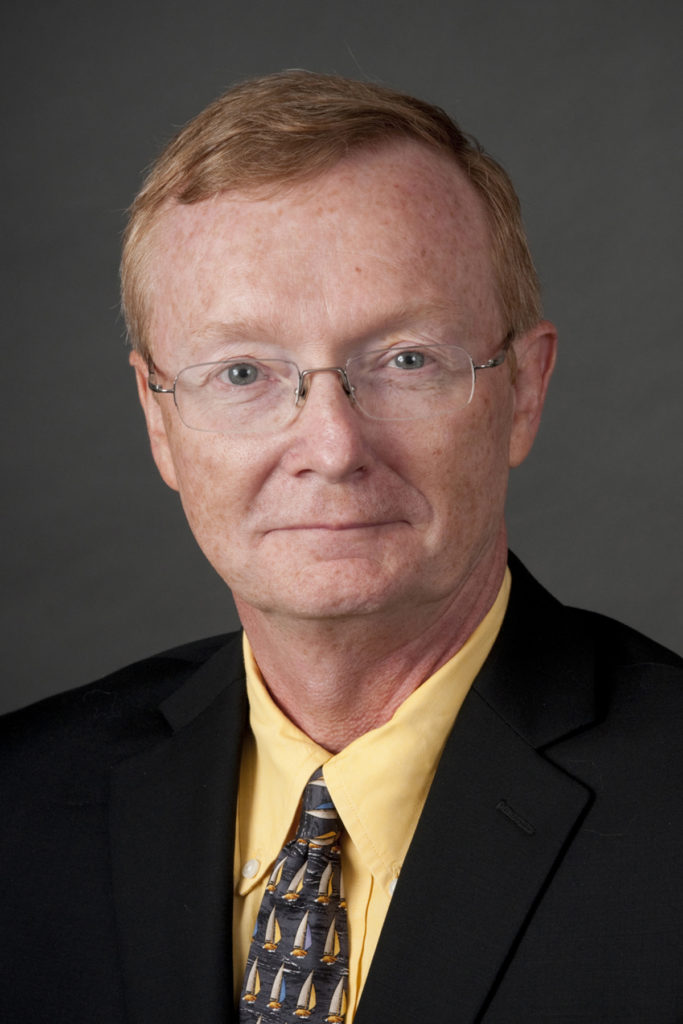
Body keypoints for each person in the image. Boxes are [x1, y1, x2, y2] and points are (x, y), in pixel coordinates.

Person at [1, 71, 682, 1024]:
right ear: (158, 419)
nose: (330, 448)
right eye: (242, 371)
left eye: (406, 360)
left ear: (523, 392)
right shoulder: (20, 804)